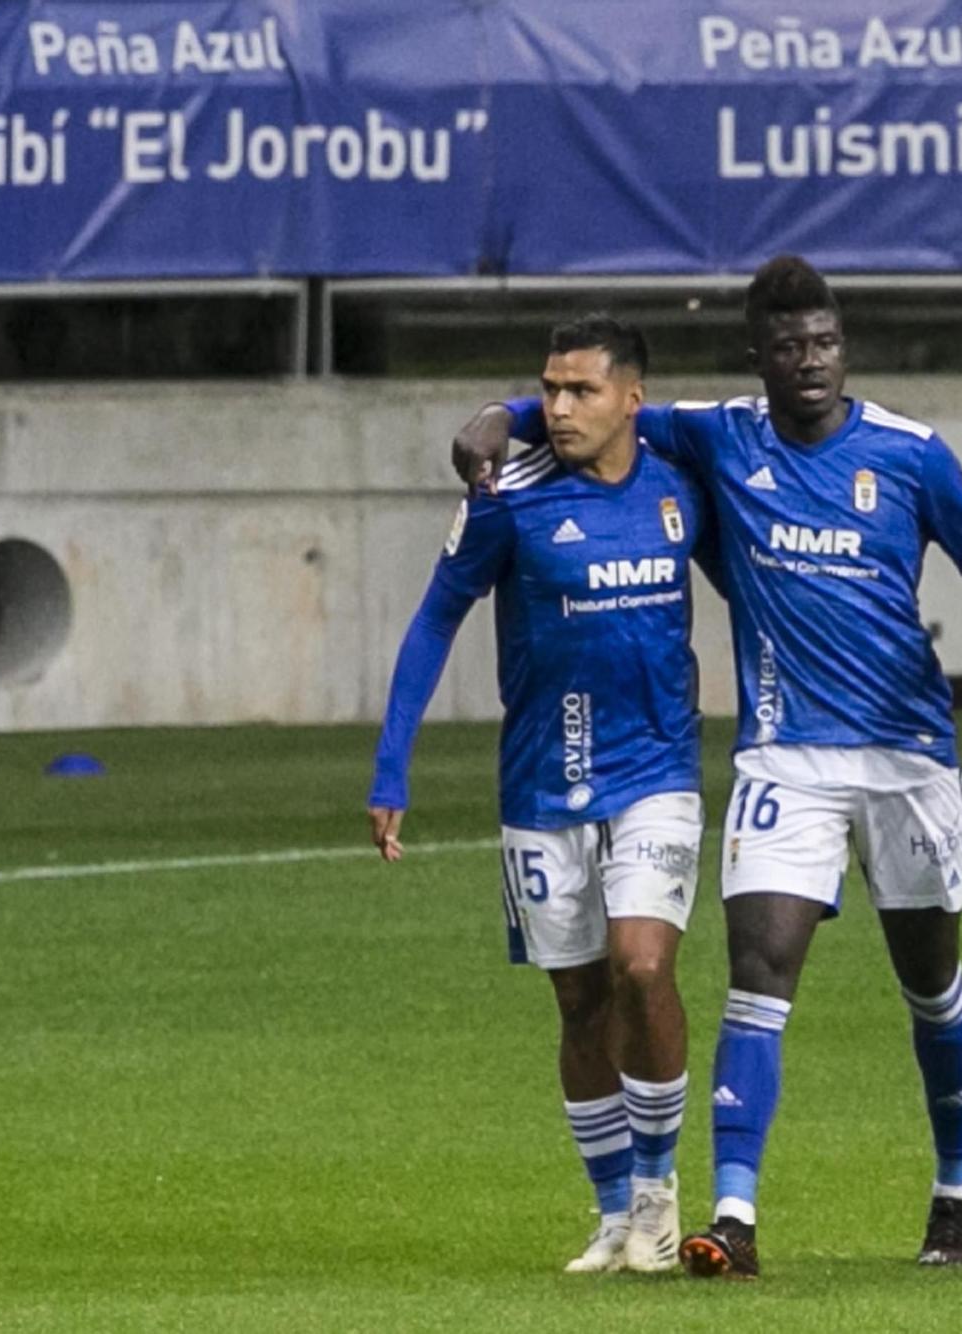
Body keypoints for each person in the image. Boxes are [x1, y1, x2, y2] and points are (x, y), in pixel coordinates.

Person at [453, 255, 962, 1278]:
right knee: (756, 976)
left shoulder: (908, 451)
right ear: (756, 358)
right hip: (784, 754)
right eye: (789, 347)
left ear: (841, 348)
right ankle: (733, 1212)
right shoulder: (719, 433)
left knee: (929, 982)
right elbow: (598, 403)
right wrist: (501, 416)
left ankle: (957, 1192)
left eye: (825, 344)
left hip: (906, 752)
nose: (810, 363)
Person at [369, 315, 711, 1275]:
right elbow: (436, 620)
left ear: (631, 400)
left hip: (657, 776)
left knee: (643, 968)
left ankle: (656, 1191)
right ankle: (611, 1215)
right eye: (547, 391)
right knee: (578, 1000)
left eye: (582, 392)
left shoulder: (685, 477)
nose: (558, 409)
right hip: (542, 782)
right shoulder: (505, 500)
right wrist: (393, 765)